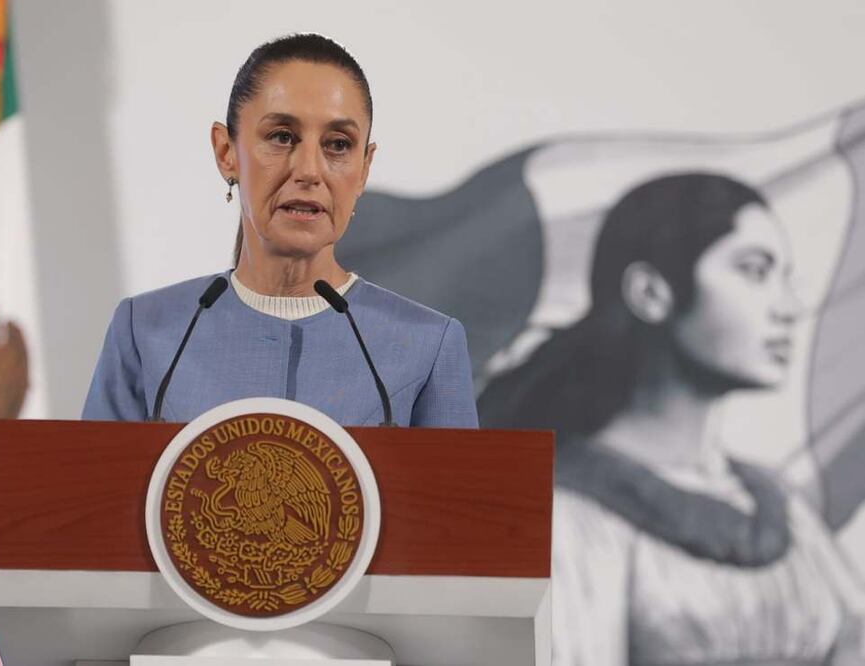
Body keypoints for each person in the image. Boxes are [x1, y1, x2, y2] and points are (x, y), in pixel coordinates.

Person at [479, 174, 865, 664]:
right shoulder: (566, 514)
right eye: (754, 270)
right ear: (651, 292)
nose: (789, 307)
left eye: (785, 276)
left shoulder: (781, 507)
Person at [82, 34, 477, 427]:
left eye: (338, 144)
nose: (308, 170)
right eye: (282, 137)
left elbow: (457, 491)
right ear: (226, 152)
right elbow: (90, 488)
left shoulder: (429, 345)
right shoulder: (145, 331)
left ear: (364, 168)